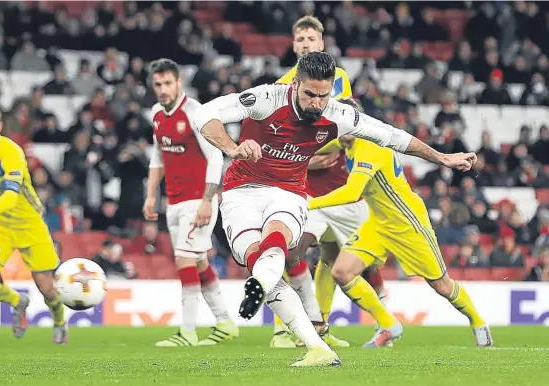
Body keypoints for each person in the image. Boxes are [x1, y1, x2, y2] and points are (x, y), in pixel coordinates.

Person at [193, 51, 477, 366]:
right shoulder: (267, 98)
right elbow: (205, 114)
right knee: (256, 257)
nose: (316, 102)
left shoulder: (338, 114)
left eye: (323, 95)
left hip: (289, 192)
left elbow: (392, 137)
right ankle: (317, 347)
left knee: (277, 239)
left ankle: (260, 283)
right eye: (309, 94)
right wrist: (233, 147)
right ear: (296, 83)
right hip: (240, 191)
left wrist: (442, 158)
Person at [307, 130, 492, 347]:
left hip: (407, 222)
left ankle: (478, 322)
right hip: (378, 223)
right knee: (342, 272)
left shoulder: (369, 146)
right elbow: (309, 149)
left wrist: (309, 204)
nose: (337, 132)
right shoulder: (345, 140)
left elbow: (350, 192)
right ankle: (388, 324)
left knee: (442, 285)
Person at [275, 16, 384, 349]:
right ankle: (282, 330)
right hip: (301, 179)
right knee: (290, 252)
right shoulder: (281, 86)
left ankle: (318, 325)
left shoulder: (340, 79)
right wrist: (308, 155)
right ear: (293, 46)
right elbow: (284, 138)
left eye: (312, 38)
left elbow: (341, 125)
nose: (306, 43)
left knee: (332, 256)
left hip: (336, 178)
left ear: (321, 44)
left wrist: (328, 148)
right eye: (300, 39)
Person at [142, 59, 239, 347]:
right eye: (158, 84)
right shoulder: (157, 114)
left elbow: (215, 157)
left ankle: (187, 332)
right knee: (197, 262)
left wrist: (208, 201)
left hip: (198, 201)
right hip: (174, 201)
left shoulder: (196, 112)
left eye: (168, 83)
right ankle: (224, 322)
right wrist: (150, 195)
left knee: (184, 261)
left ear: (179, 82)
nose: (163, 89)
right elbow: (159, 156)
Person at [0, 102, 67, 344]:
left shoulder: (11, 152)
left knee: (47, 289)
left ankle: (59, 321)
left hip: (29, 224)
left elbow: (9, 198)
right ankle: (18, 302)